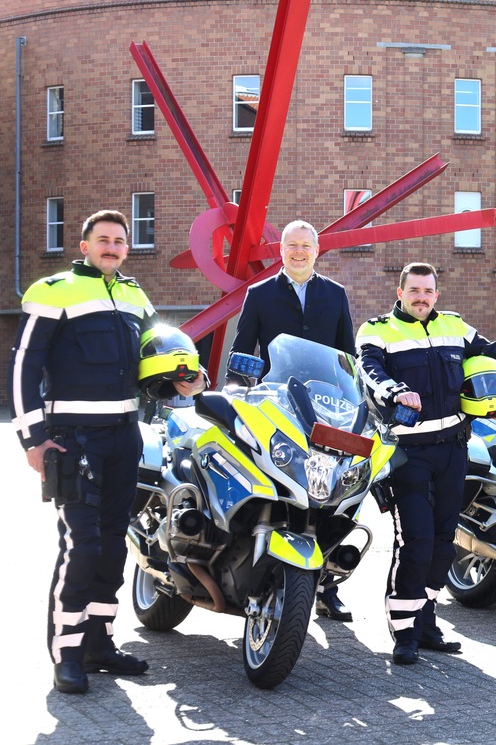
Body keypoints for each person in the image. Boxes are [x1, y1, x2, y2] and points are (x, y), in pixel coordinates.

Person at [8, 210, 205, 694]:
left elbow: (148, 365)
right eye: (103, 240)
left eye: (120, 241)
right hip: (73, 438)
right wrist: (33, 440)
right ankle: (67, 654)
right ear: (84, 246)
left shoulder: (136, 295)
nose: (113, 247)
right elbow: (21, 369)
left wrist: (181, 381)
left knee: (116, 543)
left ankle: (100, 644)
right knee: (83, 547)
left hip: (124, 437)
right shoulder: (54, 292)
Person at [357, 262, 496, 665]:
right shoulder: (378, 330)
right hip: (407, 452)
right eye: (414, 290)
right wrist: (395, 391)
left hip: (453, 448)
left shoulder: (454, 326)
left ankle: (427, 621)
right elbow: (369, 369)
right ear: (400, 293)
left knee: (443, 542)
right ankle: (403, 633)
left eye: (428, 291)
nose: (421, 297)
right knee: (414, 542)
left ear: (437, 294)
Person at [228, 219, 358, 622]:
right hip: (275, 406)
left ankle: (326, 585)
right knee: (280, 486)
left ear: (317, 250)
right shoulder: (260, 293)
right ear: (279, 250)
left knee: (334, 494)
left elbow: (347, 356)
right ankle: (263, 566)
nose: (299, 252)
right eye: (291, 245)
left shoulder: (335, 295)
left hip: (325, 410)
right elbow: (241, 350)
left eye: (306, 245)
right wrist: (235, 391)